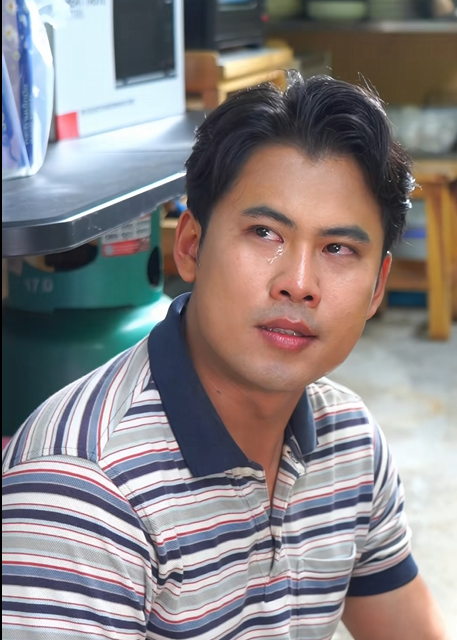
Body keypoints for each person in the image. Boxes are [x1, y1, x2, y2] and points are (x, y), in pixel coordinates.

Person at [2, 73, 449, 640]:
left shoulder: (350, 443)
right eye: (264, 233)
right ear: (190, 245)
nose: (298, 283)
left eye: (337, 248)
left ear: (378, 287)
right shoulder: (82, 493)